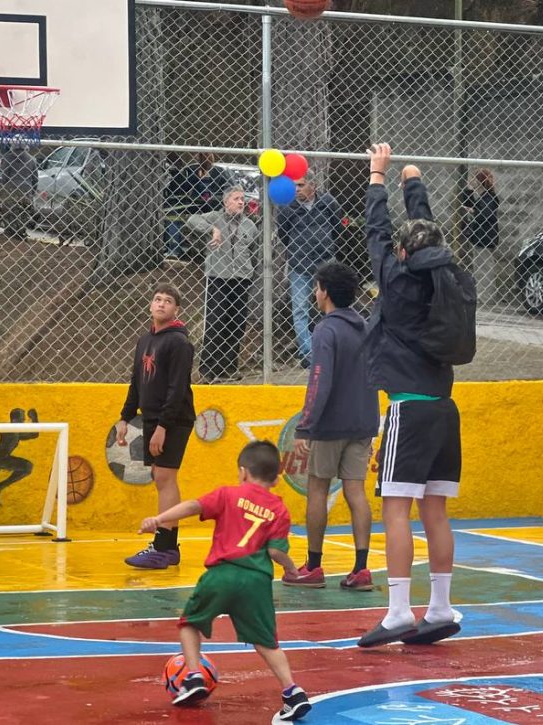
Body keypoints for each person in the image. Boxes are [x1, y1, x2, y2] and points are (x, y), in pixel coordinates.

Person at [358, 143, 463, 648]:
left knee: (396, 508)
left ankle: (399, 610)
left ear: (403, 254)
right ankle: (440, 607)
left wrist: (377, 178)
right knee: (435, 510)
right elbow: (427, 234)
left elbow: (377, 233)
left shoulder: (396, 281)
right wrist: (412, 184)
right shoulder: (445, 279)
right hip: (444, 408)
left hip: (409, 407)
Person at [140, 440, 312, 721]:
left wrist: (159, 519)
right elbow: (275, 552)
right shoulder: (280, 510)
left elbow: (192, 506)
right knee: (267, 643)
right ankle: (293, 692)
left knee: (189, 624)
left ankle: (194, 676)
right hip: (257, 582)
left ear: (243, 472)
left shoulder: (228, 494)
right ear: (276, 480)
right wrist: (291, 568)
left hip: (222, 574)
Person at [282, 261, 379, 591]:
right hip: (363, 421)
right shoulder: (364, 326)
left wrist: (306, 426)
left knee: (318, 488)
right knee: (356, 490)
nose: (314, 291)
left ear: (324, 292)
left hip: (331, 424)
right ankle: (361, 568)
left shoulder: (325, 330)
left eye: (317, 286)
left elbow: (319, 382)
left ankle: (313, 565)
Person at [118, 283, 197, 569]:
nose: (161, 304)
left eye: (168, 301)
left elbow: (177, 388)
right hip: (152, 417)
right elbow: (136, 382)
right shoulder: (145, 341)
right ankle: (168, 546)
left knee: (165, 477)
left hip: (174, 419)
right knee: (159, 476)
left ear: (177, 309)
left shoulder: (179, 343)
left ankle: (164, 546)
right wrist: (125, 417)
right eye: (157, 299)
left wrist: (164, 426)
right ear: (151, 305)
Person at [186, 186, 259, 382]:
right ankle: (208, 369)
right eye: (236, 199)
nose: (241, 202)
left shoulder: (250, 225)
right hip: (218, 276)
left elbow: (254, 252)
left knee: (237, 323)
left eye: (242, 199)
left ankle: (228, 367)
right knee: (215, 321)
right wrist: (212, 230)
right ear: (226, 202)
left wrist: (250, 271)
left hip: (242, 278)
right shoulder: (214, 217)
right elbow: (192, 220)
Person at [276, 170, 343, 368]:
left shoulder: (328, 202)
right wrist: (298, 249)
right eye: (294, 185)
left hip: (325, 262)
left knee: (332, 306)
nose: (296, 189)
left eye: (300, 185)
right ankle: (308, 354)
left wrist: (326, 246)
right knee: (300, 309)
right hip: (299, 264)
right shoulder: (287, 205)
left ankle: (331, 349)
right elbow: (284, 233)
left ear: (313, 186)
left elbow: (337, 227)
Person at [163, 153, 226, 261]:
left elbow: (181, 189)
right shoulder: (194, 170)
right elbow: (181, 188)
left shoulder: (217, 172)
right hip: (199, 206)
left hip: (208, 207)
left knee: (175, 215)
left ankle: (174, 250)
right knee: (175, 215)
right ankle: (175, 250)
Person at [459, 168, 500, 251]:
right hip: (481, 238)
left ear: (480, 181)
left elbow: (484, 215)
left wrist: (473, 211)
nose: (471, 181)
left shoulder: (488, 197)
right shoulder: (484, 197)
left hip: (485, 240)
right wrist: (469, 190)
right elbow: (470, 204)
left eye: (474, 178)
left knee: (483, 259)